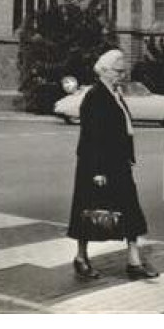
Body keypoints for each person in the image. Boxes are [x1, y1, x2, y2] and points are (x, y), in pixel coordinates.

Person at [67, 49, 158, 281]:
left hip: (118, 162)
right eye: (118, 71)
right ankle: (80, 257)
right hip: (96, 165)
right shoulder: (95, 96)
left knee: (130, 209)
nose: (122, 75)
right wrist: (97, 170)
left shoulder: (114, 93)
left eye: (123, 71)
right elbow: (92, 136)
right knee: (88, 211)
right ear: (105, 72)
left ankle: (134, 262)